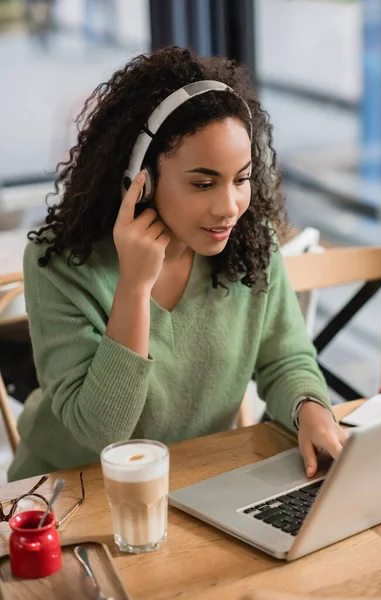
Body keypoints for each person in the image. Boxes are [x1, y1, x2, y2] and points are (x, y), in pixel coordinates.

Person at [8, 46, 347, 482]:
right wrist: (133, 286)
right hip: (69, 492)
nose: (229, 207)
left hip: (193, 482)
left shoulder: (251, 247)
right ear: (139, 179)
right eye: (204, 183)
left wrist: (311, 409)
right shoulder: (58, 264)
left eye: (241, 179)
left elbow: (285, 361)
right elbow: (101, 433)